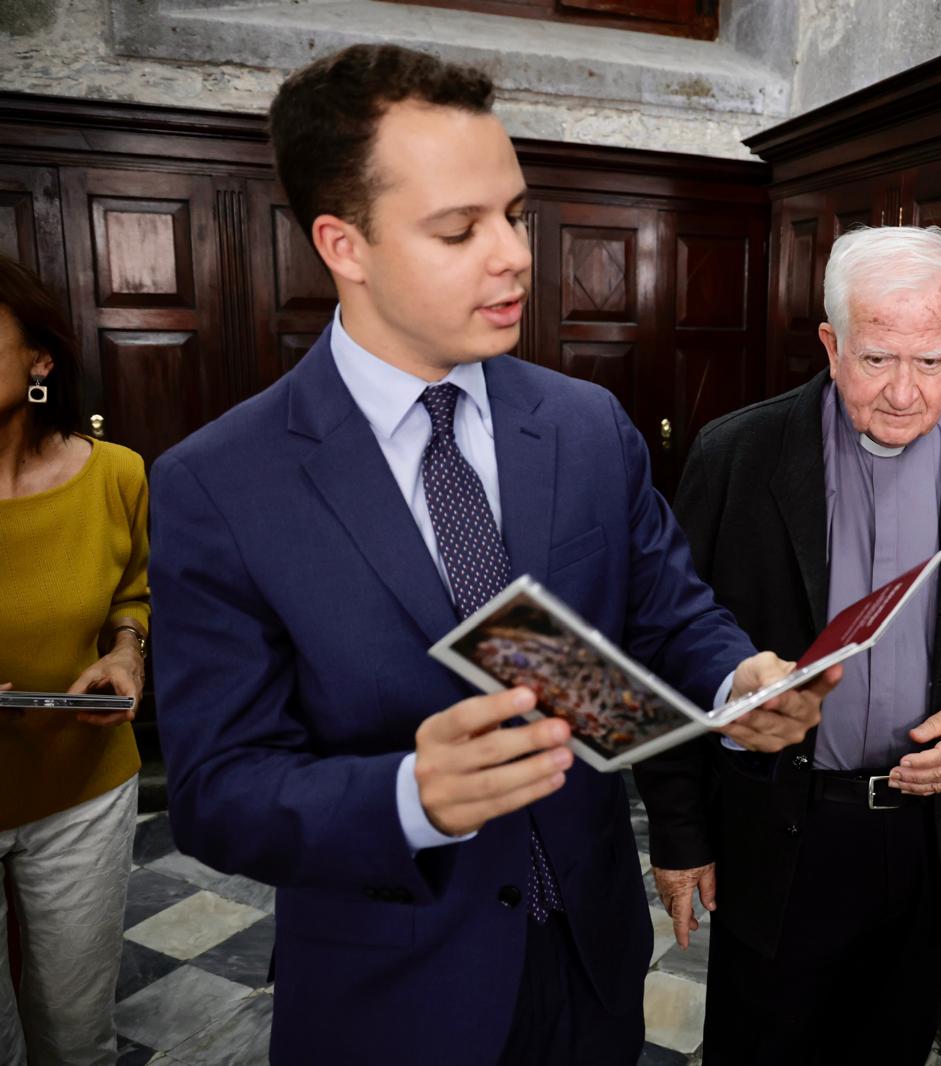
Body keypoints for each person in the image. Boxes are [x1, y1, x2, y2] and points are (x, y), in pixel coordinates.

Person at [148, 45, 835, 1066]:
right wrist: (407, 797)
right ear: (345, 243)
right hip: (393, 988)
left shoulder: (585, 423)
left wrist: (738, 676)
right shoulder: (220, 482)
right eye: (458, 229)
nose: (514, 254)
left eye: (513, 213)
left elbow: (667, 607)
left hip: (591, 956)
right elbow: (216, 790)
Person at [634, 225, 941, 1065]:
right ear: (832, 344)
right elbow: (664, 644)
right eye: (876, 359)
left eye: (932, 361)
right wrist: (681, 836)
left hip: (925, 842)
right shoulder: (737, 454)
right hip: (781, 831)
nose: (905, 392)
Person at [0, 255, 149, 1066]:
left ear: (40, 360)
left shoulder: (116, 474)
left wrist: (126, 651)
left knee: (74, 1033)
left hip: (83, 787)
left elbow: (135, 591)